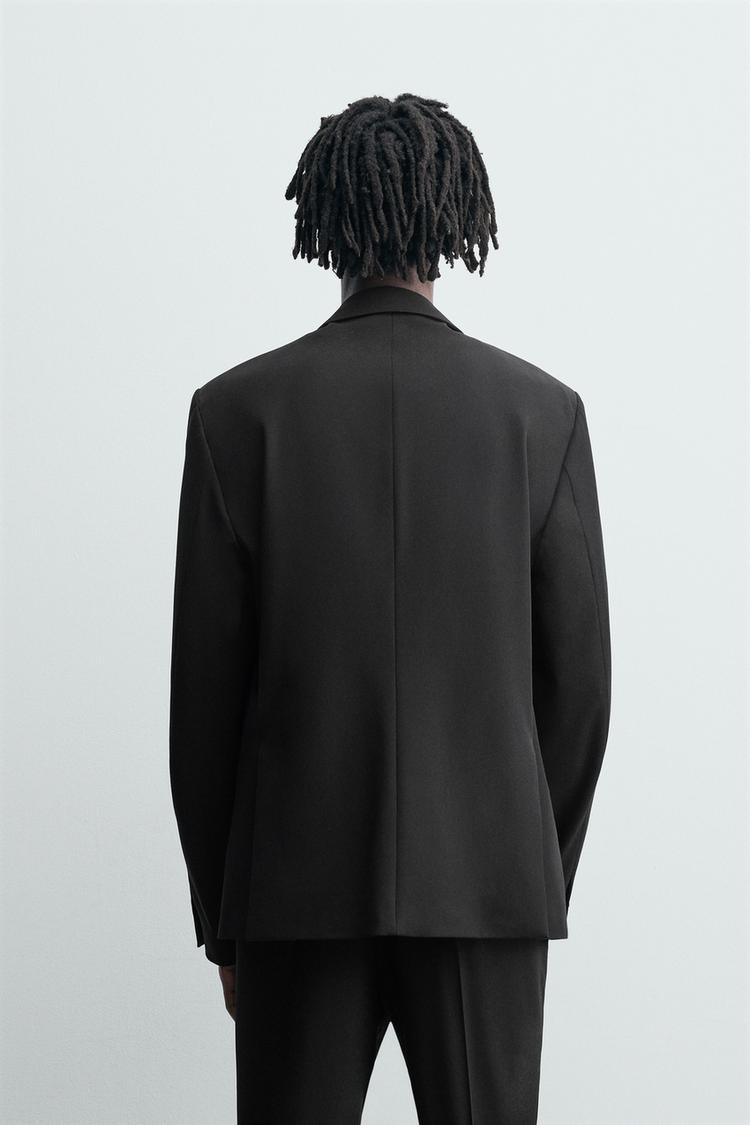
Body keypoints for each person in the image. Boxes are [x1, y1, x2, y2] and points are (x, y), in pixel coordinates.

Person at [169, 92, 612, 1125]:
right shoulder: (541, 414)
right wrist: (525, 865)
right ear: (455, 216)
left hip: (292, 890)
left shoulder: (237, 413)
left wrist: (224, 918)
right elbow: (581, 689)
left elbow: (204, 703)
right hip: (490, 886)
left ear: (326, 220)